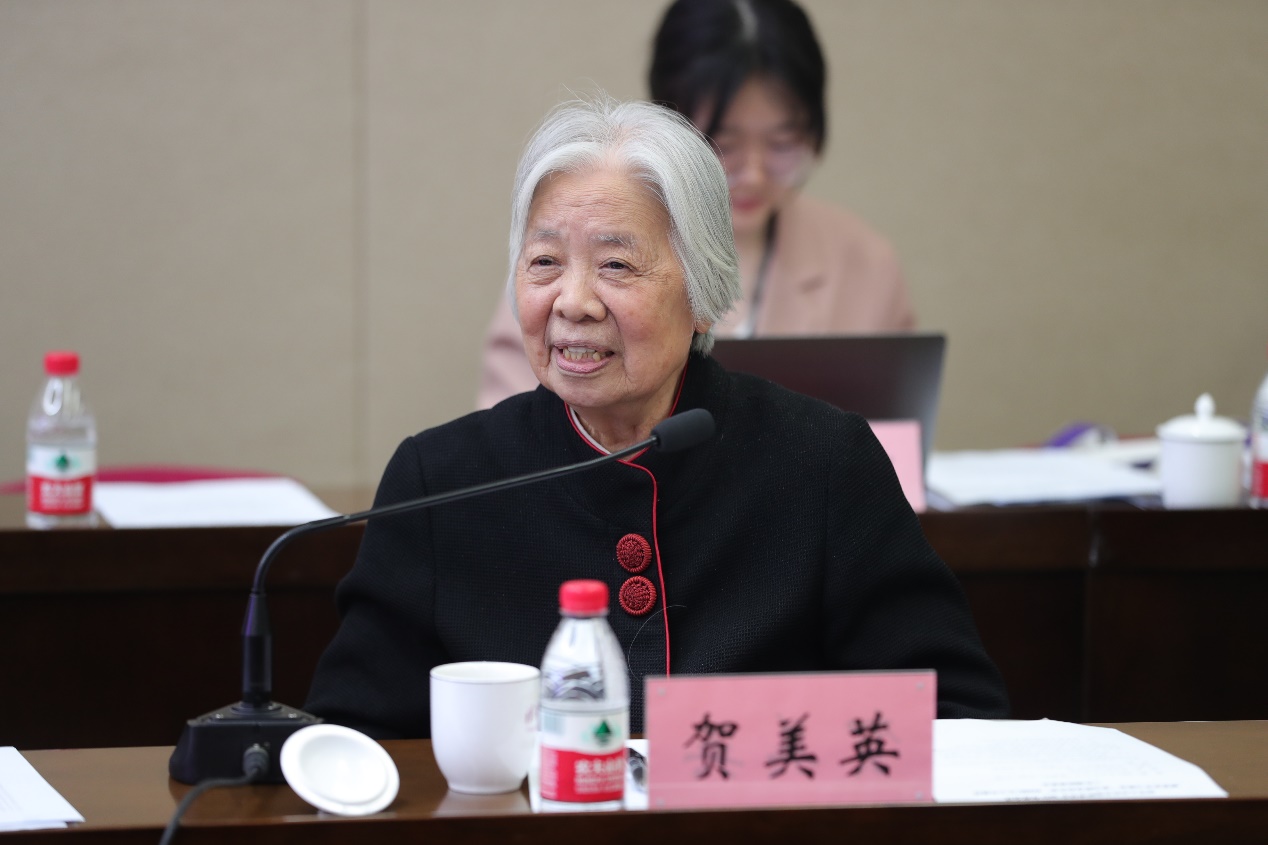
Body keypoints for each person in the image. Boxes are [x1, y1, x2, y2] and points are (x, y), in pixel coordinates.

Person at [305, 97, 1007, 738]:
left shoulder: (823, 462)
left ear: (704, 292)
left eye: (616, 266)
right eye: (544, 261)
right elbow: (354, 742)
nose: (573, 301)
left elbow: (955, 717)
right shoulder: (440, 481)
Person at [476, 0, 914, 409]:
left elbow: (892, 431)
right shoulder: (566, 263)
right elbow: (516, 435)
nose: (753, 174)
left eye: (782, 143)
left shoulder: (864, 262)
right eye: (723, 143)